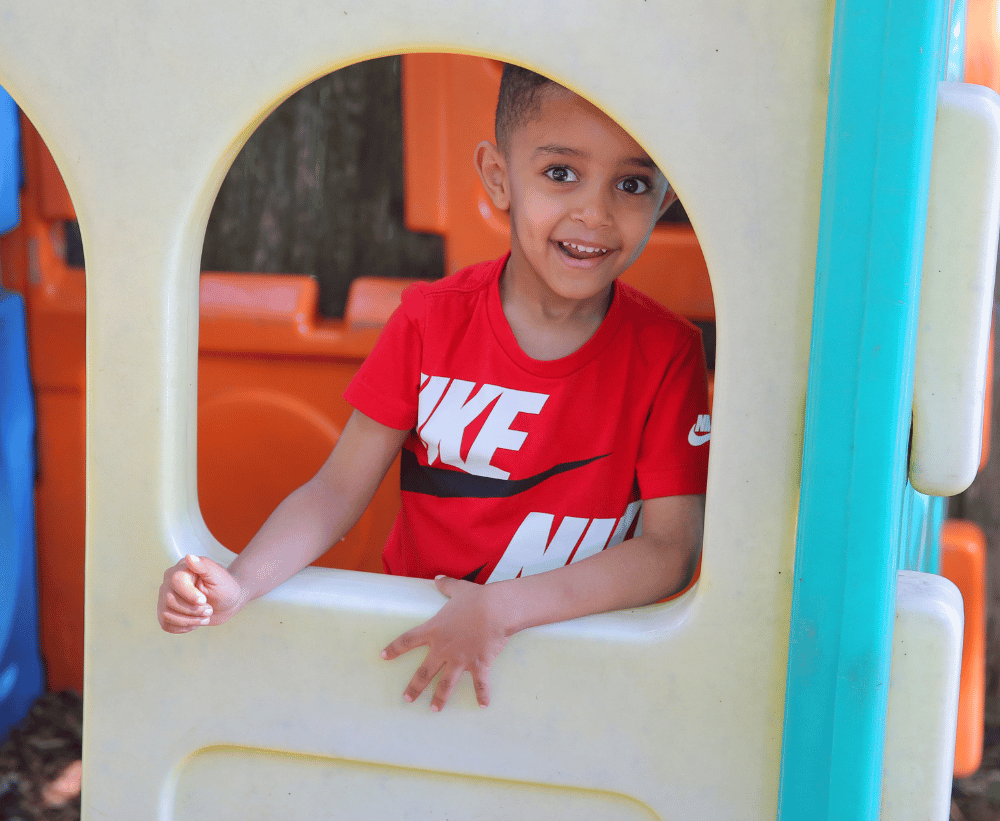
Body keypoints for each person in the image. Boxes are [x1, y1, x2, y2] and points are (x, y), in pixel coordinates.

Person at [158, 65, 710, 711]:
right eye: (561, 173)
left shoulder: (669, 354)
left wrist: (501, 610)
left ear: (667, 196)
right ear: (499, 176)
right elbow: (335, 491)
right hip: (424, 671)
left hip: (576, 684)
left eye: (633, 183)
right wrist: (238, 582)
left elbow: (671, 550)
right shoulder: (430, 321)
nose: (595, 211)